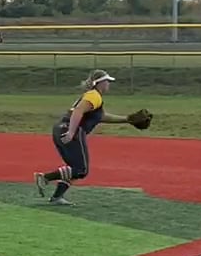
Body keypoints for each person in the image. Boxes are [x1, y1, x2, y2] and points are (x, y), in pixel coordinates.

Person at [35, 70, 131, 207]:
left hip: (60, 128)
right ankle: (45, 178)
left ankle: (57, 197)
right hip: (71, 130)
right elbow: (78, 111)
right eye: (107, 81)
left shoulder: (93, 97)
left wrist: (128, 119)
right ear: (99, 83)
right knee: (81, 170)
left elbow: (102, 117)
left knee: (75, 169)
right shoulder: (94, 96)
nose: (108, 84)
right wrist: (71, 132)